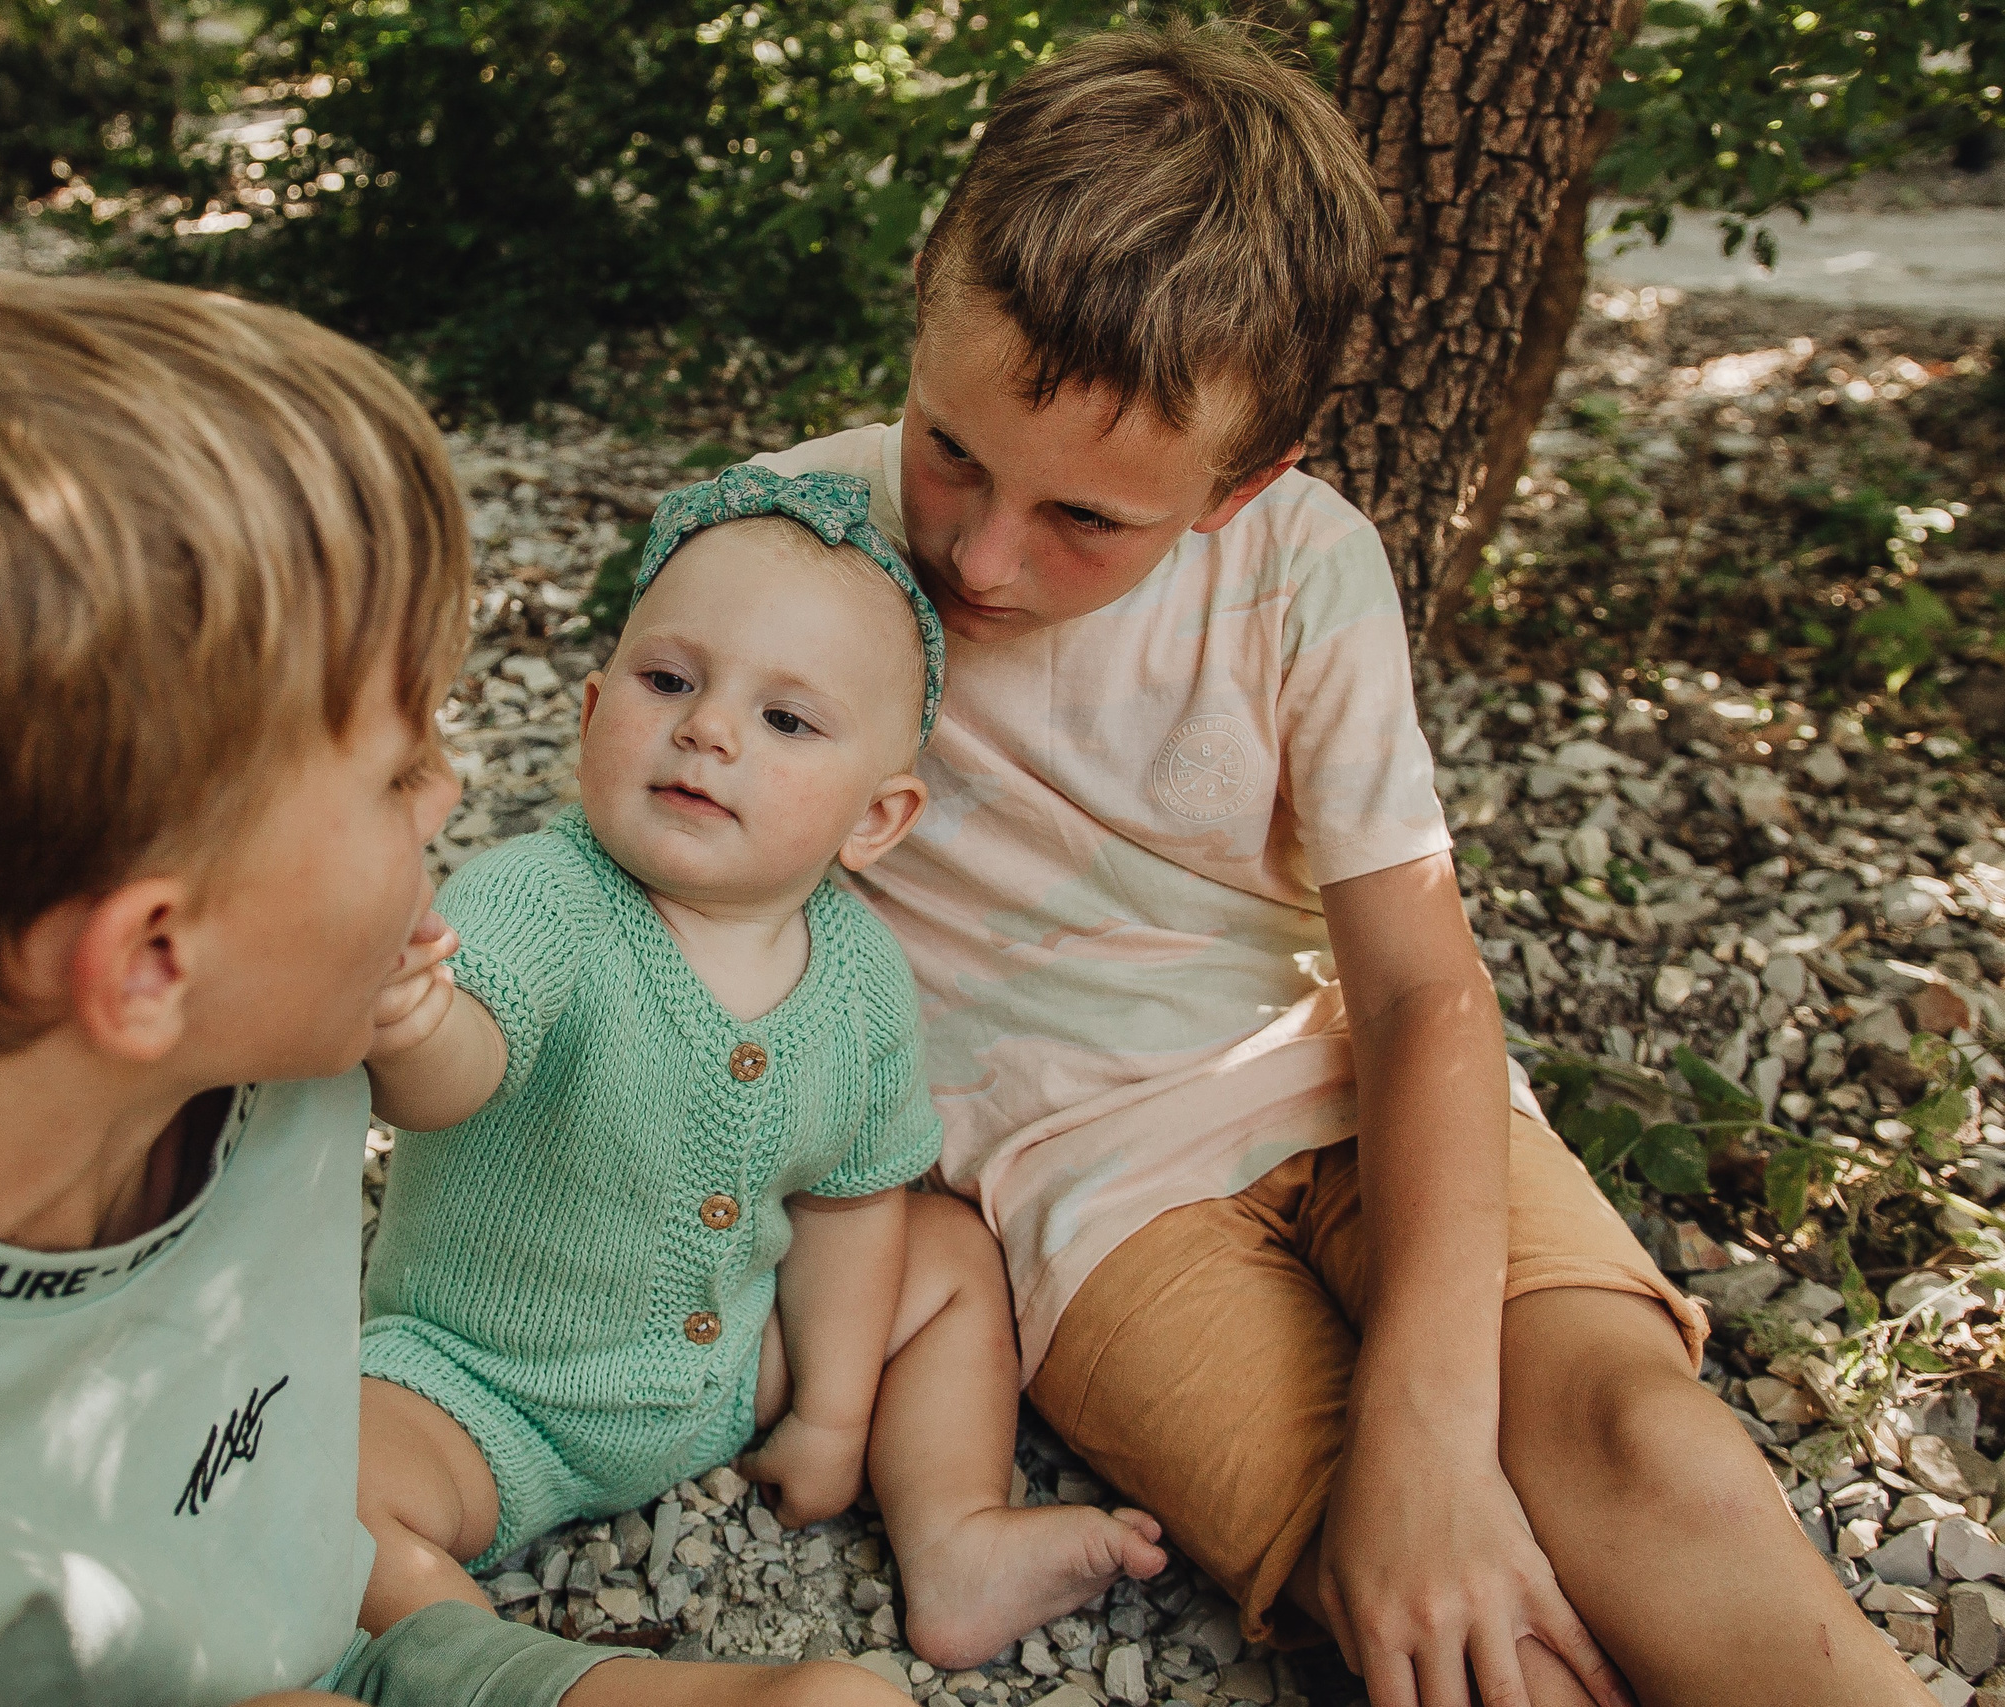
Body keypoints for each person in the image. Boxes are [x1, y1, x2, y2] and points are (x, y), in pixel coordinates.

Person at [0, 271, 866, 1707]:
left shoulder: (265, 1062)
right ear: (151, 961)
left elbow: (285, 1578)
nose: (453, 791)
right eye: (393, 772)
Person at [756, 23, 1931, 1707]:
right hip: (1092, 1202)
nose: (982, 553)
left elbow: (1419, 988)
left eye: (1090, 520)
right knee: (1431, 1613)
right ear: (925, 297)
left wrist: (1434, 1429)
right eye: (951, 447)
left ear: (1246, 482)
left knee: (1633, 1438)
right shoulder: (785, 540)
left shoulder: (1304, 569)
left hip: (1356, 1091)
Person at [355, 466, 1167, 1677]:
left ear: (875, 818)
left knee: (940, 1253)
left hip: (731, 1367)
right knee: (324, 1484)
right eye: (669, 681)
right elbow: (446, 1081)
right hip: (481, 1391)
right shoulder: (542, 899)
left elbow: (844, 1208)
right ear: (588, 713)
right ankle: (496, 1669)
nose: (709, 729)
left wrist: (832, 1412)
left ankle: (953, 1533)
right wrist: (414, 1023)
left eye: (786, 722)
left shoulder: (859, 982)